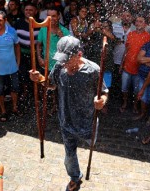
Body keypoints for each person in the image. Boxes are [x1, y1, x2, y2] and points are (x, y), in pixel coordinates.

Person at [30, 36, 108, 191]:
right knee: (69, 156)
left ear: (79, 55)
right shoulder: (59, 67)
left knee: (91, 143)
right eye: (62, 58)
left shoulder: (93, 70)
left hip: (87, 121)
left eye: (67, 59)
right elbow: (51, 84)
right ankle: (74, 177)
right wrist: (39, 78)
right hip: (66, 120)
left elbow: (104, 92)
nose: (64, 63)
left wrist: (102, 101)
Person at [120, 16, 150, 113]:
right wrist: (121, 64)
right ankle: (124, 103)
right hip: (127, 67)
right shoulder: (131, 34)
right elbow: (126, 50)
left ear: (145, 24)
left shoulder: (148, 37)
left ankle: (134, 106)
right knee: (124, 88)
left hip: (139, 69)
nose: (138, 23)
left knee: (136, 91)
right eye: (137, 21)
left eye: (141, 21)